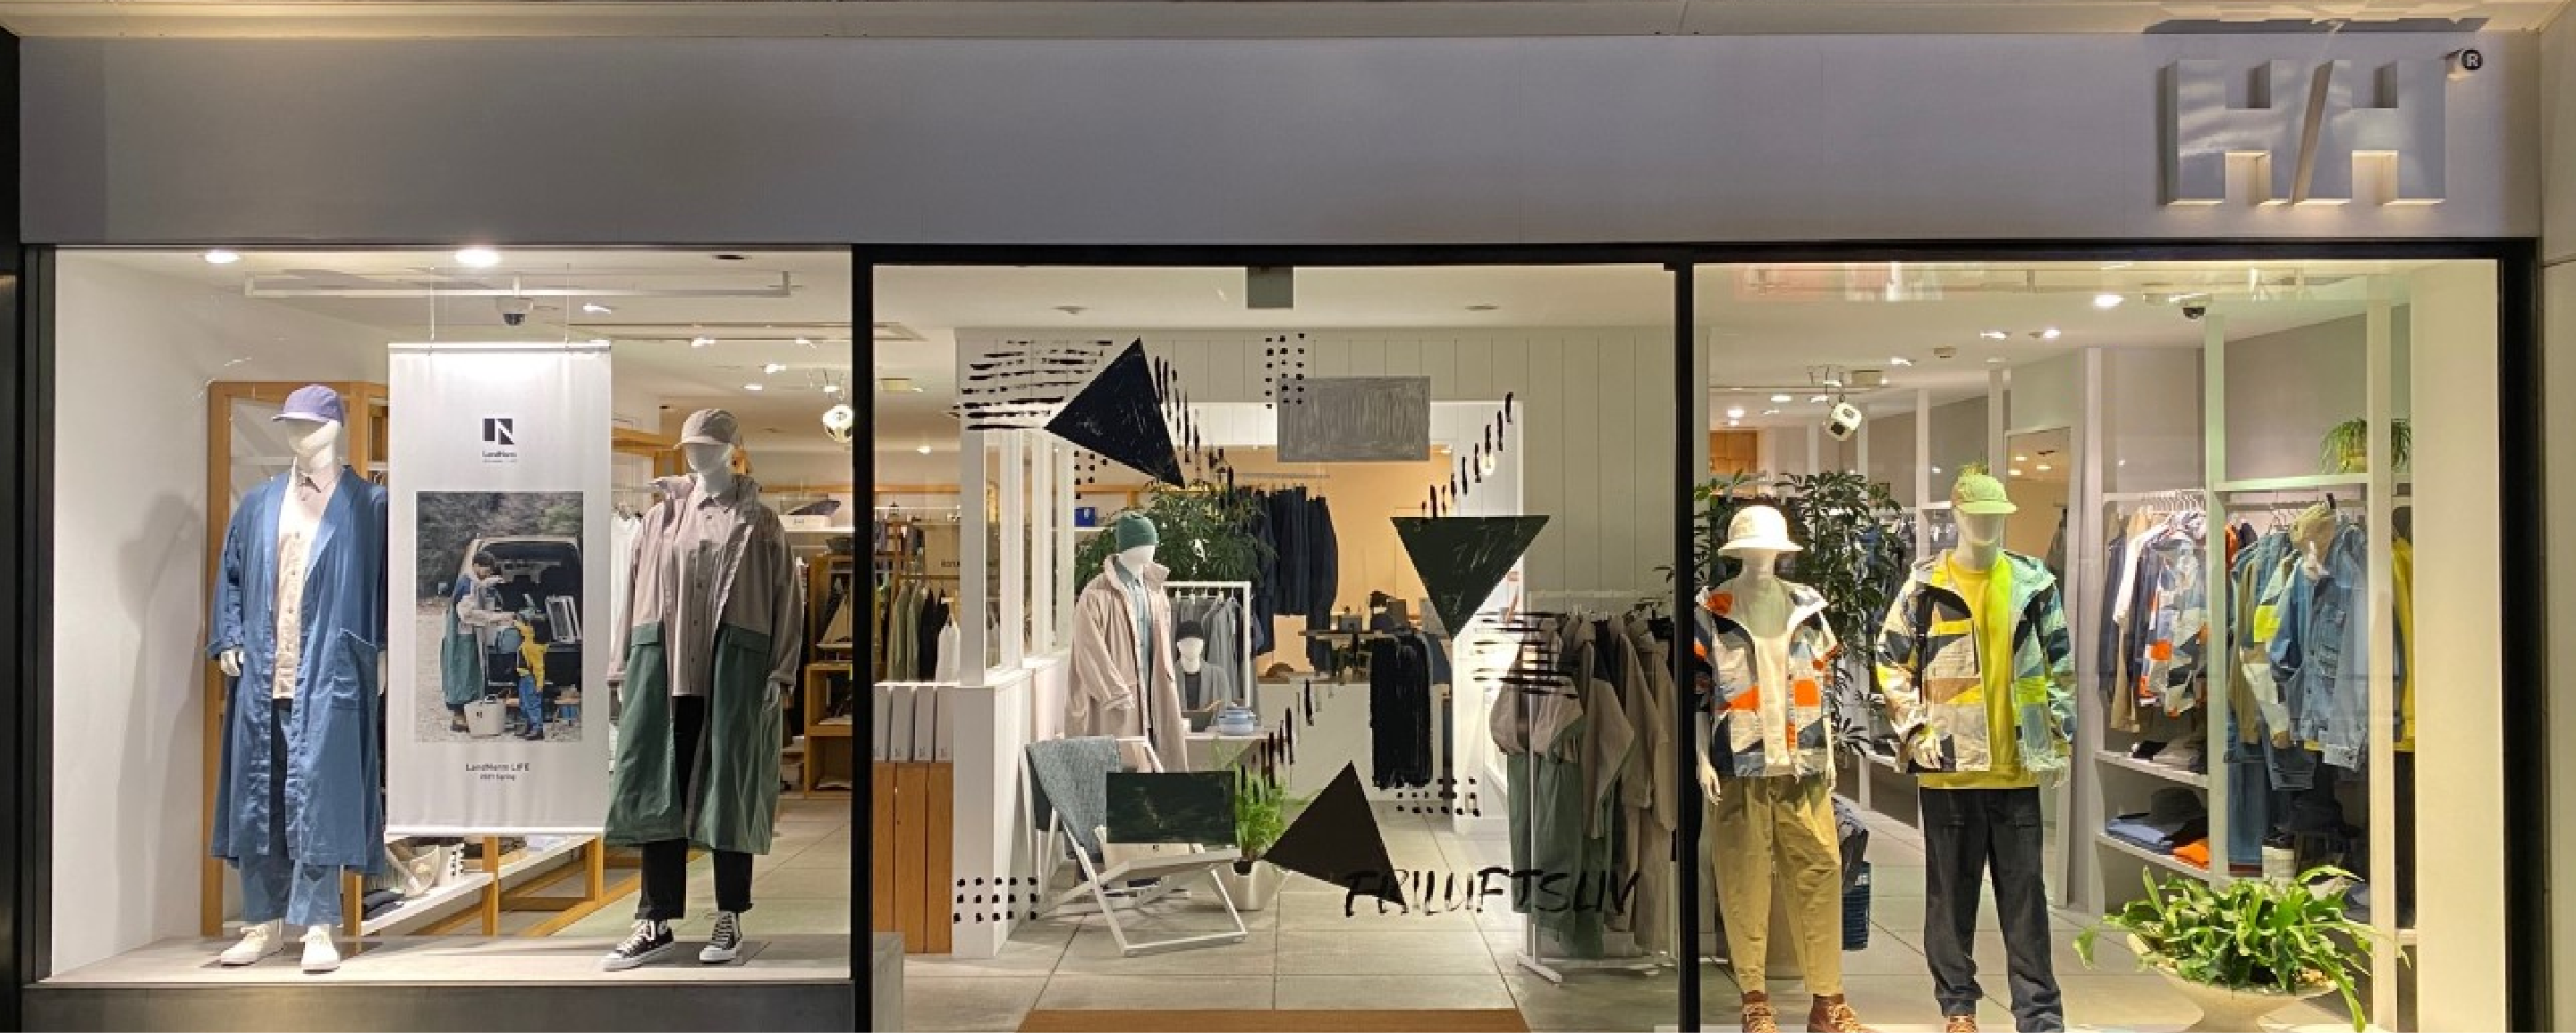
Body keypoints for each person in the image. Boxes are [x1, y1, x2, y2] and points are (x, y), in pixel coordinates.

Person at [440, 551, 513, 733]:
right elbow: (468, 614)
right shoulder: (466, 585)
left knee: (470, 672)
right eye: (486, 571)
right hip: (462, 637)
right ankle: (459, 716)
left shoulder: (471, 581)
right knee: (462, 674)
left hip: (467, 635)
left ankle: (467, 714)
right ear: (476, 566)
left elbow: (478, 584)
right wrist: (496, 617)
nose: (486, 575)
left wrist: (492, 581)